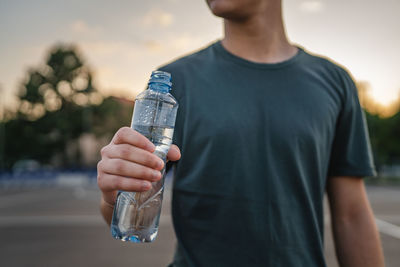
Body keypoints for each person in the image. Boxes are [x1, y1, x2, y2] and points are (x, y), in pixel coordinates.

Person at [97, 0, 385, 266]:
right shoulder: (174, 82)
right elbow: (129, 205)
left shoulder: (334, 82)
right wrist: (114, 194)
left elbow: (352, 215)